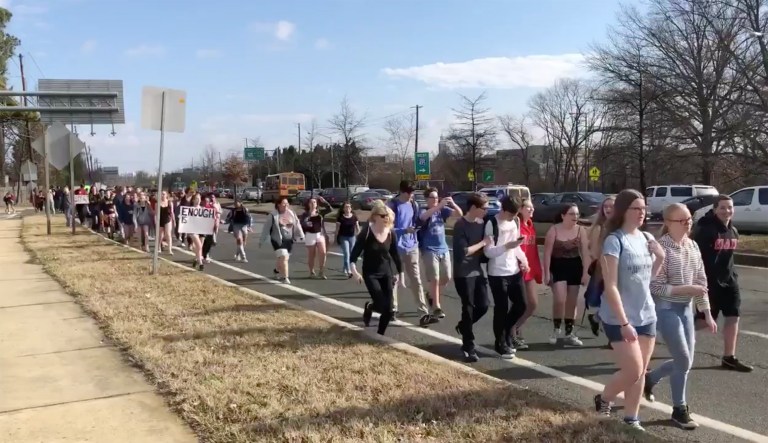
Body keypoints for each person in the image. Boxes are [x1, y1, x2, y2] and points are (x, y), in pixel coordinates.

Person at [594, 189, 665, 432]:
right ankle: (605, 398)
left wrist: (659, 258)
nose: (642, 213)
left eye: (644, 208)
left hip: (646, 313)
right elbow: (611, 285)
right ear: (624, 210)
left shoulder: (646, 237)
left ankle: (631, 418)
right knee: (633, 370)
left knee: (641, 371)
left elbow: (645, 279)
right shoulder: (614, 241)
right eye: (636, 208)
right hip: (619, 317)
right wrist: (624, 323)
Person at [644, 203, 717, 429]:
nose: (688, 223)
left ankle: (650, 378)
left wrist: (707, 313)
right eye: (682, 220)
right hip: (666, 309)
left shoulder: (692, 245)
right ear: (668, 223)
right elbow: (655, 287)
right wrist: (687, 289)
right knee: (683, 359)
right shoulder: (661, 247)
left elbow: (701, 281)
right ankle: (679, 409)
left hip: (686, 309)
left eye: (689, 219)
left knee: (685, 362)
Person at [692, 195, 753, 372]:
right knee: (704, 321)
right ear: (715, 209)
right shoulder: (705, 230)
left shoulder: (733, 230)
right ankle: (678, 334)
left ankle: (729, 358)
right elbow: (696, 257)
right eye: (723, 208)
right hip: (709, 282)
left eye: (730, 207)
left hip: (729, 281)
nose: (727, 211)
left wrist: (732, 276)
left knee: (733, 315)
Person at [350, 201, 404, 336]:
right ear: (375, 216)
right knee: (380, 304)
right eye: (383, 215)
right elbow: (353, 256)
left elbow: (396, 256)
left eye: (387, 215)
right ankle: (370, 306)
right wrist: (355, 272)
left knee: (389, 309)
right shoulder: (367, 232)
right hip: (371, 273)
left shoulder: (391, 233)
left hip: (387, 273)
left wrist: (401, 275)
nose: (386, 218)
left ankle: (380, 335)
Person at [484, 196, 528, 358]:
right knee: (501, 308)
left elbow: (516, 246)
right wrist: (506, 246)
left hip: (514, 270)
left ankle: (507, 332)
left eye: (515, 215)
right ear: (503, 209)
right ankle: (500, 342)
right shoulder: (492, 223)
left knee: (521, 305)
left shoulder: (515, 221)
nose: (512, 217)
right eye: (510, 214)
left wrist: (524, 261)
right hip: (497, 272)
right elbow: (488, 252)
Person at [452, 192, 494, 363]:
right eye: (484, 208)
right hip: (463, 273)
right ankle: (468, 346)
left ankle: (463, 326)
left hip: (477, 271)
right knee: (468, 308)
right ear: (474, 208)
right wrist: (483, 243)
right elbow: (463, 252)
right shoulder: (460, 225)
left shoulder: (482, 223)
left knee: (483, 305)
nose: (486, 211)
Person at [542, 204, 590, 346]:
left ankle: (569, 332)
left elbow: (585, 253)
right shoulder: (554, 230)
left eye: (577, 214)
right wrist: (546, 273)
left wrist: (586, 273)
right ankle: (556, 328)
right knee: (560, 299)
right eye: (571, 214)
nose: (575, 217)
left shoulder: (581, 230)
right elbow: (547, 253)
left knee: (572, 301)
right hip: (558, 266)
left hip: (574, 266)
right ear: (563, 216)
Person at [388, 180, 430, 325]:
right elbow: (387, 228)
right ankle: (392, 308)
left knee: (416, 280)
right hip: (395, 247)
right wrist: (404, 230)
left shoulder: (414, 204)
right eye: (409, 193)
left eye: (412, 192)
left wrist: (417, 229)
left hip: (412, 246)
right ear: (402, 191)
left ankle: (423, 312)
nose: (411, 195)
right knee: (394, 279)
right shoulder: (392, 205)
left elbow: (417, 222)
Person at [418, 187, 462, 319]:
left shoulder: (442, 210)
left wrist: (453, 204)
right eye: (432, 197)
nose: (436, 200)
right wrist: (439, 206)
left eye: (437, 197)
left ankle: (431, 294)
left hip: (443, 248)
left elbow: (459, 214)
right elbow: (423, 217)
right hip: (429, 249)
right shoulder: (424, 210)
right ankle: (436, 307)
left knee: (447, 277)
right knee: (435, 279)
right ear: (427, 199)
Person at [512, 198, 542, 349]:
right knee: (520, 304)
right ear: (520, 209)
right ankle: (512, 334)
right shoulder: (516, 225)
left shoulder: (530, 225)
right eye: (528, 207)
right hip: (517, 269)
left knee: (532, 304)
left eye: (532, 207)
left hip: (530, 269)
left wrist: (538, 270)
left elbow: (533, 250)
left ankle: (515, 327)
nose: (532, 210)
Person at [585, 196, 616, 337]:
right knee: (609, 301)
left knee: (616, 303)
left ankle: (596, 318)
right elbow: (595, 253)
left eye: (611, 206)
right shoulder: (599, 228)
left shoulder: (621, 227)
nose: (608, 209)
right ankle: (614, 338)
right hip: (604, 270)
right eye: (605, 206)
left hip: (620, 269)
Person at [260, 196, 304, 284]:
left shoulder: (291, 213)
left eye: (287, 203)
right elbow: (266, 228)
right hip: (277, 239)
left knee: (283, 258)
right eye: (284, 203)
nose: (286, 205)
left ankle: (276, 270)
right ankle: (285, 278)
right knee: (284, 257)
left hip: (289, 239)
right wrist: (262, 240)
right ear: (278, 205)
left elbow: (297, 224)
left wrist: (301, 234)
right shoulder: (273, 215)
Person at [300, 196, 332, 279]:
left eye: (314, 202)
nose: (313, 204)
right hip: (310, 235)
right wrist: (306, 224)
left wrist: (324, 202)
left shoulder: (320, 212)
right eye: (311, 202)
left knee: (323, 252)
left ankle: (321, 271)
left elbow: (330, 209)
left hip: (320, 234)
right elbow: (301, 224)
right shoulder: (305, 214)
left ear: (317, 204)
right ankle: (311, 272)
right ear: (308, 204)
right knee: (312, 254)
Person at [335, 201, 360, 278]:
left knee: (351, 254)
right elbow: (337, 229)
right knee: (346, 253)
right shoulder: (340, 218)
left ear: (351, 208)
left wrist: (359, 237)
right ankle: (349, 270)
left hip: (352, 237)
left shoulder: (354, 217)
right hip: (343, 237)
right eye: (346, 207)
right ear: (343, 208)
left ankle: (344, 268)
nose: (348, 208)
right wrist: (335, 239)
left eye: (349, 207)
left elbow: (357, 228)